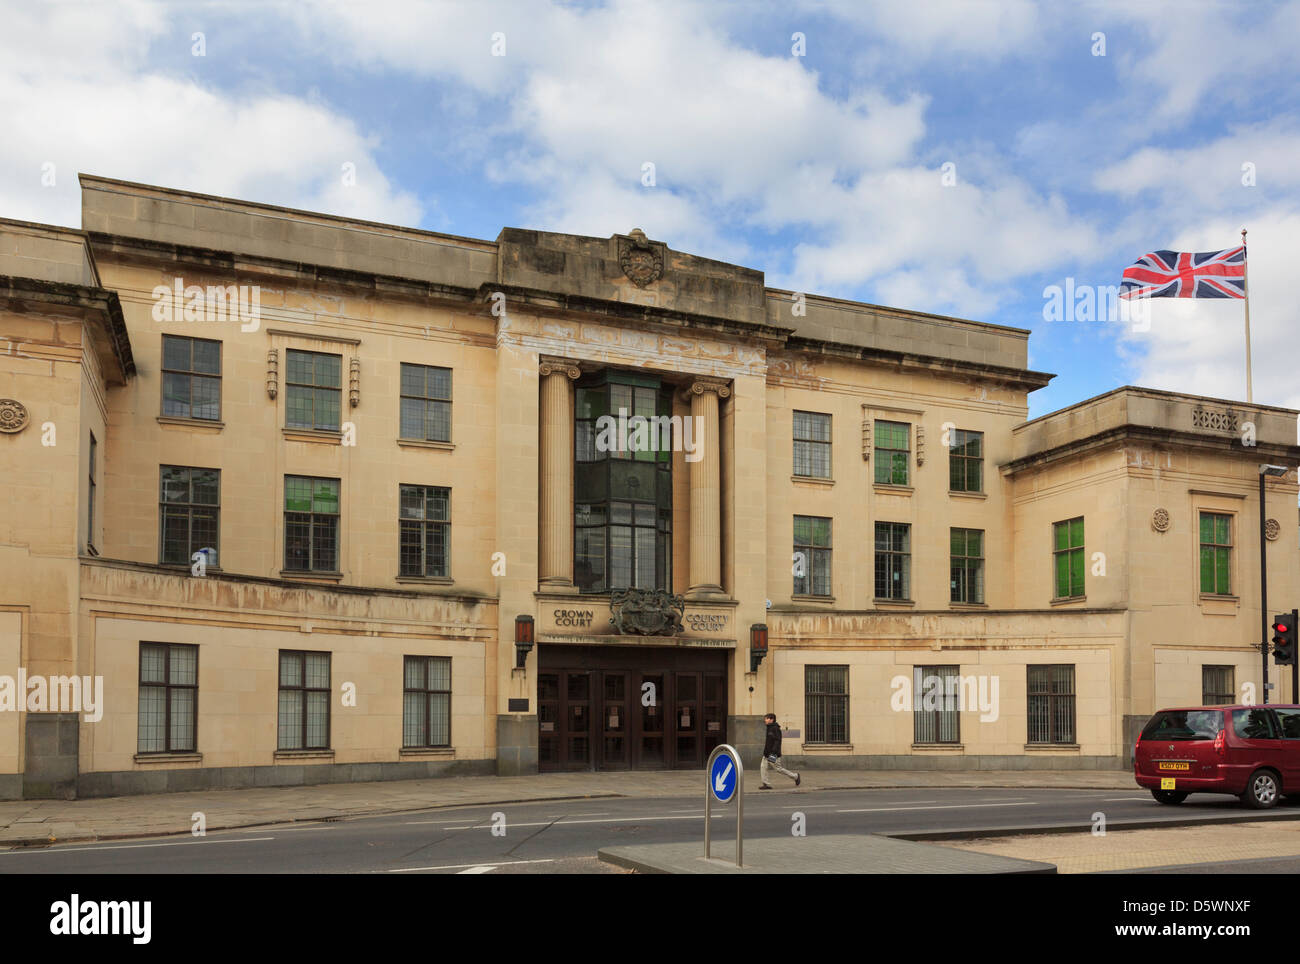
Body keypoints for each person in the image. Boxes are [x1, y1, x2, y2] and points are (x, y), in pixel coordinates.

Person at [759, 712, 800, 789]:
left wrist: (773, 753)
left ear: (772, 719)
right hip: (766, 753)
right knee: (763, 767)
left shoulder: (775, 728)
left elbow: (778, 741)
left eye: (767, 718)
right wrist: (766, 752)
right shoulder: (769, 727)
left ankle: (795, 776)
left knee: (778, 769)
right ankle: (766, 784)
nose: (765, 720)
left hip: (773, 754)